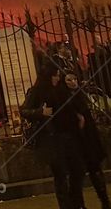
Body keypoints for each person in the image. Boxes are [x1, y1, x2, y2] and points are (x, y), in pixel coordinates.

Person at [20, 65, 86, 209]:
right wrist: (40, 112)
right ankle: (66, 205)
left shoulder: (59, 90)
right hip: (50, 138)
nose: (57, 78)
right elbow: (24, 110)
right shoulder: (37, 91)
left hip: (66, 135)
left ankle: (77, 202)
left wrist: (76, 116)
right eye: (55, 75)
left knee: (77, 169)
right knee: (60, 173)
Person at [64, 72, 111, 209]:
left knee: (95, 170)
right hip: (76, 139)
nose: (73, 82)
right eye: (68, 80)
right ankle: (79, 205)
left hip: (88, 137)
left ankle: (105, 201)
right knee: (77, 174)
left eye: (74, 78)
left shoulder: (80, 94)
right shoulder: (63, 97)